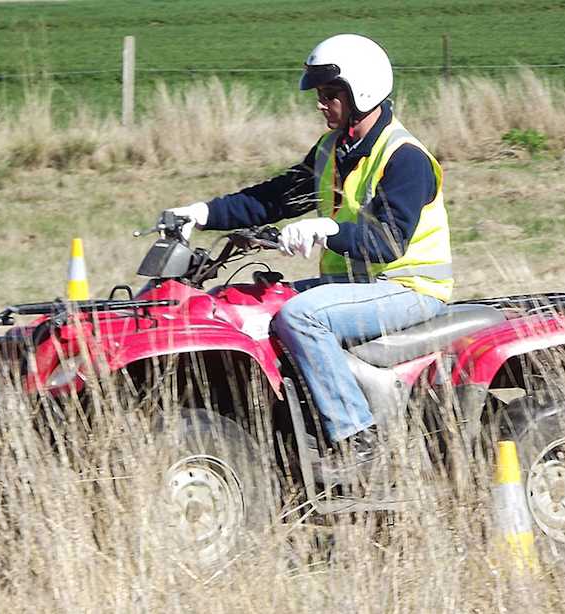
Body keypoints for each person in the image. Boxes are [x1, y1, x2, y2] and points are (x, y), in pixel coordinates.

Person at [167, 34, 452, 467]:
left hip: (409, 286)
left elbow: (388, 241)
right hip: (357, 284)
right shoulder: (333, 150)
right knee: (252, 304)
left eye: (329, 94)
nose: (321, 104)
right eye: (320, 95)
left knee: (301, 315)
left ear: (363, 92)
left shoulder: (404, 158)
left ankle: (358, 438)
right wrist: (202, 213)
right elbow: (272, 198)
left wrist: (327, 229)